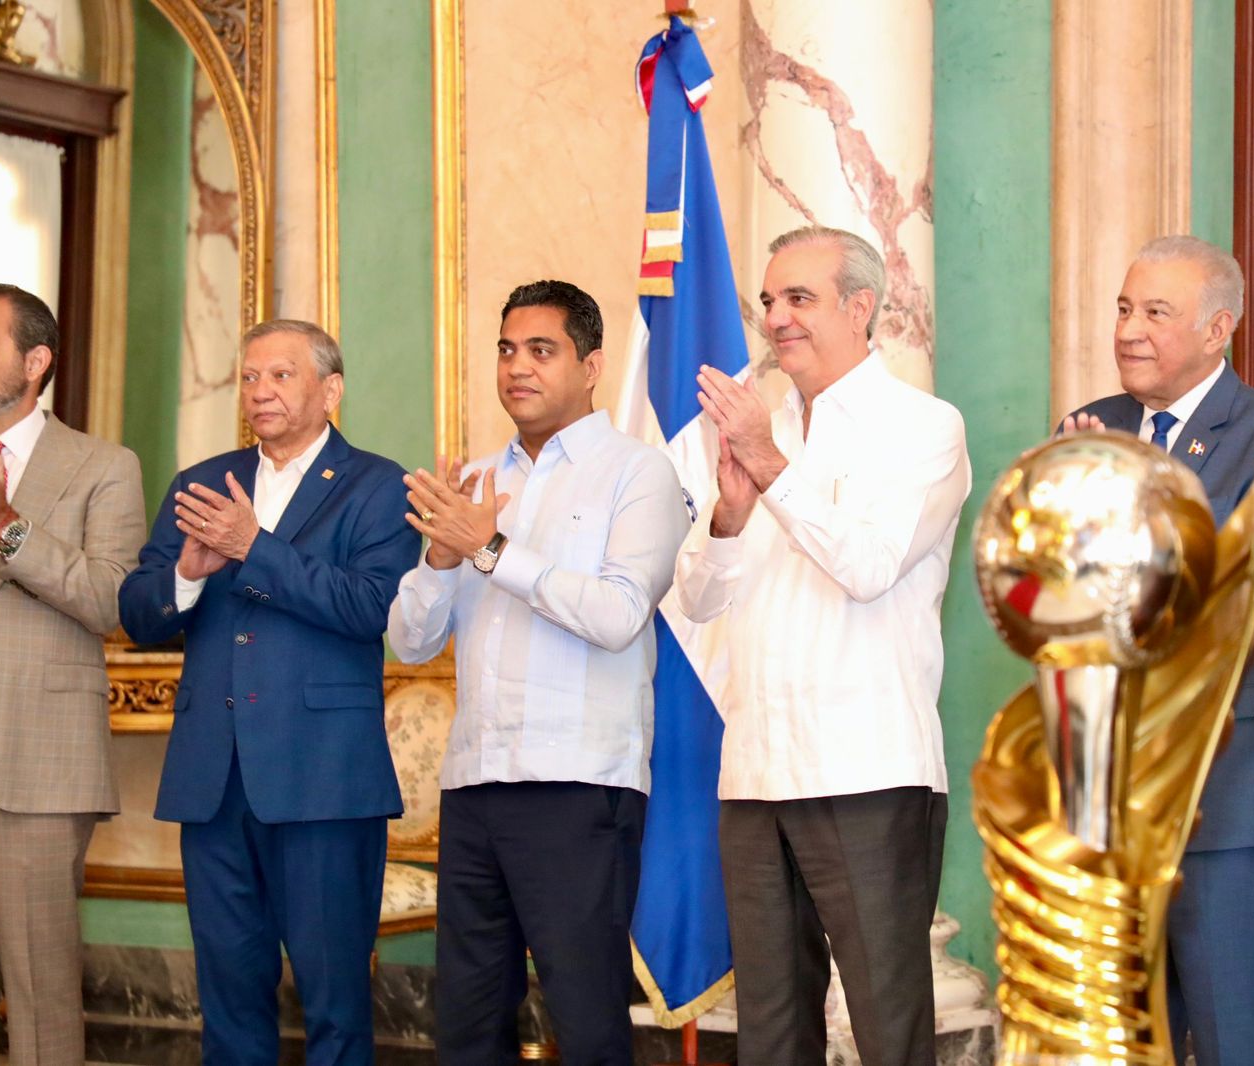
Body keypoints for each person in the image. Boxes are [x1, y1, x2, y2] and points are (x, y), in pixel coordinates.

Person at [674, 226, 970, 1066]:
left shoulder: (922, 426)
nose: (776, 318)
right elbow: (696, 601)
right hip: (757, 770)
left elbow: (869, 567)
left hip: (867, 772)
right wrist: (727, 519)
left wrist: (770, 468)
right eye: (769, 300)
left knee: (888, 1025)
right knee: (770, 1033)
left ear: (861, 307)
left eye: (798, 298)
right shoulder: (762, 432)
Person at [387, 280, 687, 1064]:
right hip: (477, 782)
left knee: (585, 1022)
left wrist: (492, 552)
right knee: (467, 1022)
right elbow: (411, 642)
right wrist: (440, 556)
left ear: (591, 365)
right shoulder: (477, 482)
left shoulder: (638, 474)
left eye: (541, 350)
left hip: (579, 786)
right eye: (507, 350)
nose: (518, 367)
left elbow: (620, 615)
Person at [118, 319, 420, 1065]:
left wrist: (257, 548)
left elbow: (368, 608)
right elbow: (136, 614)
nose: (260, 392)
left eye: (281, 376)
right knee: (228, 994)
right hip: (213, 781)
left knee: (334, 1002)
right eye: (250, 378)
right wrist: (187, 574)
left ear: (331, 388)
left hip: (323, 780)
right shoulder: (200, 481)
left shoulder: (380, 486)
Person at [1061, 236, 1254, 1066]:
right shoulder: (1096, 424)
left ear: (1218, 331)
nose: (1129, 330)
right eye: (1123, 308)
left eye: (1156, 313)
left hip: (1228, 791)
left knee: (1227, 1034)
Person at [0, 283, 146, 1065]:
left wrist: (5, 528)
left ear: (35, 361)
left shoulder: (103, 466)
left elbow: (111, 601)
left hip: (35, 764)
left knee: (41, 994)